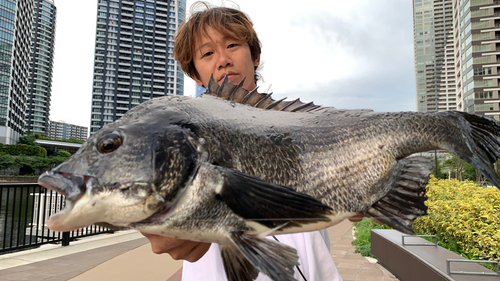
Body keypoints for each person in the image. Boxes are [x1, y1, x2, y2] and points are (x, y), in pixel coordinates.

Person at [142, 2, 345, 280]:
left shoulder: (299, 125)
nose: (223, 59)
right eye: (208, 53)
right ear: (193, 73)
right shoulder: (184, 137)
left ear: (255, 55)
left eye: (233, 45)